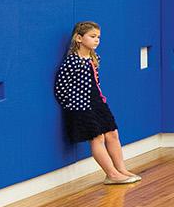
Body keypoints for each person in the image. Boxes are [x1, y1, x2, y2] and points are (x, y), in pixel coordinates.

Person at [53, 21, 140, 185]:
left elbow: (95, 82)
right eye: (92, 37)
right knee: (97, 137)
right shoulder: (72, 62)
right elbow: (61, 88)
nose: (97, 40)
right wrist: (73, 105)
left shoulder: (94, 58)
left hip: (97, 102)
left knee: (113, 134)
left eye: (98, 37)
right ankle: (111, 174)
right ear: (79, 38)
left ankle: (121, 169)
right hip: (81, 106)